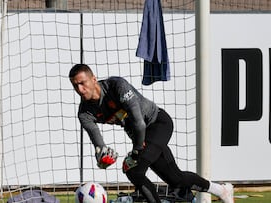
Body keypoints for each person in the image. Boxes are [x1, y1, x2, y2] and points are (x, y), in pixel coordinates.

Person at [69, 64, 234, 203]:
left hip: (157, 123)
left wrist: (136, 151)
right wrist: (102, 158)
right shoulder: (84, 113)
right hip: (140, 136)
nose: (80, 89)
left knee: (134, 170)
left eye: (82, 83)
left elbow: (139, 122)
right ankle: (222, 191)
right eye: (75, 85)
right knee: (176, 179)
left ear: (94, 79)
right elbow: (98, 144)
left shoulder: (116, 86)